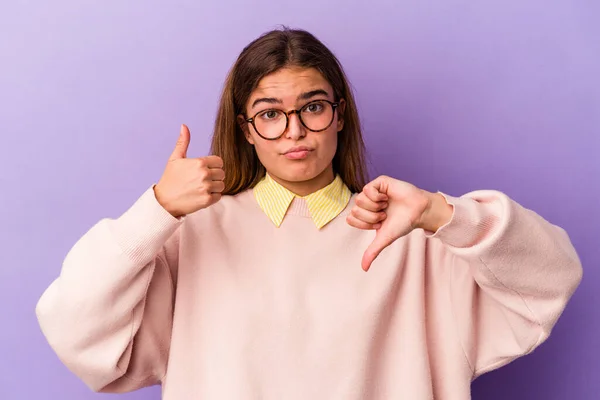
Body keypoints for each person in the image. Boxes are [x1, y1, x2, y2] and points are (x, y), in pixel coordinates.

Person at [36, 27, 583, 399]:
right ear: (247, 130)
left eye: (313, 108)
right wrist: (153, 210)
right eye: (270, 113)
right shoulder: (191, 237)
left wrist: (444, 215)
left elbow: (551, 280)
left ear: (339, 116)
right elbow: (75, 331)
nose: (294, 131)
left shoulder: (415, 237)